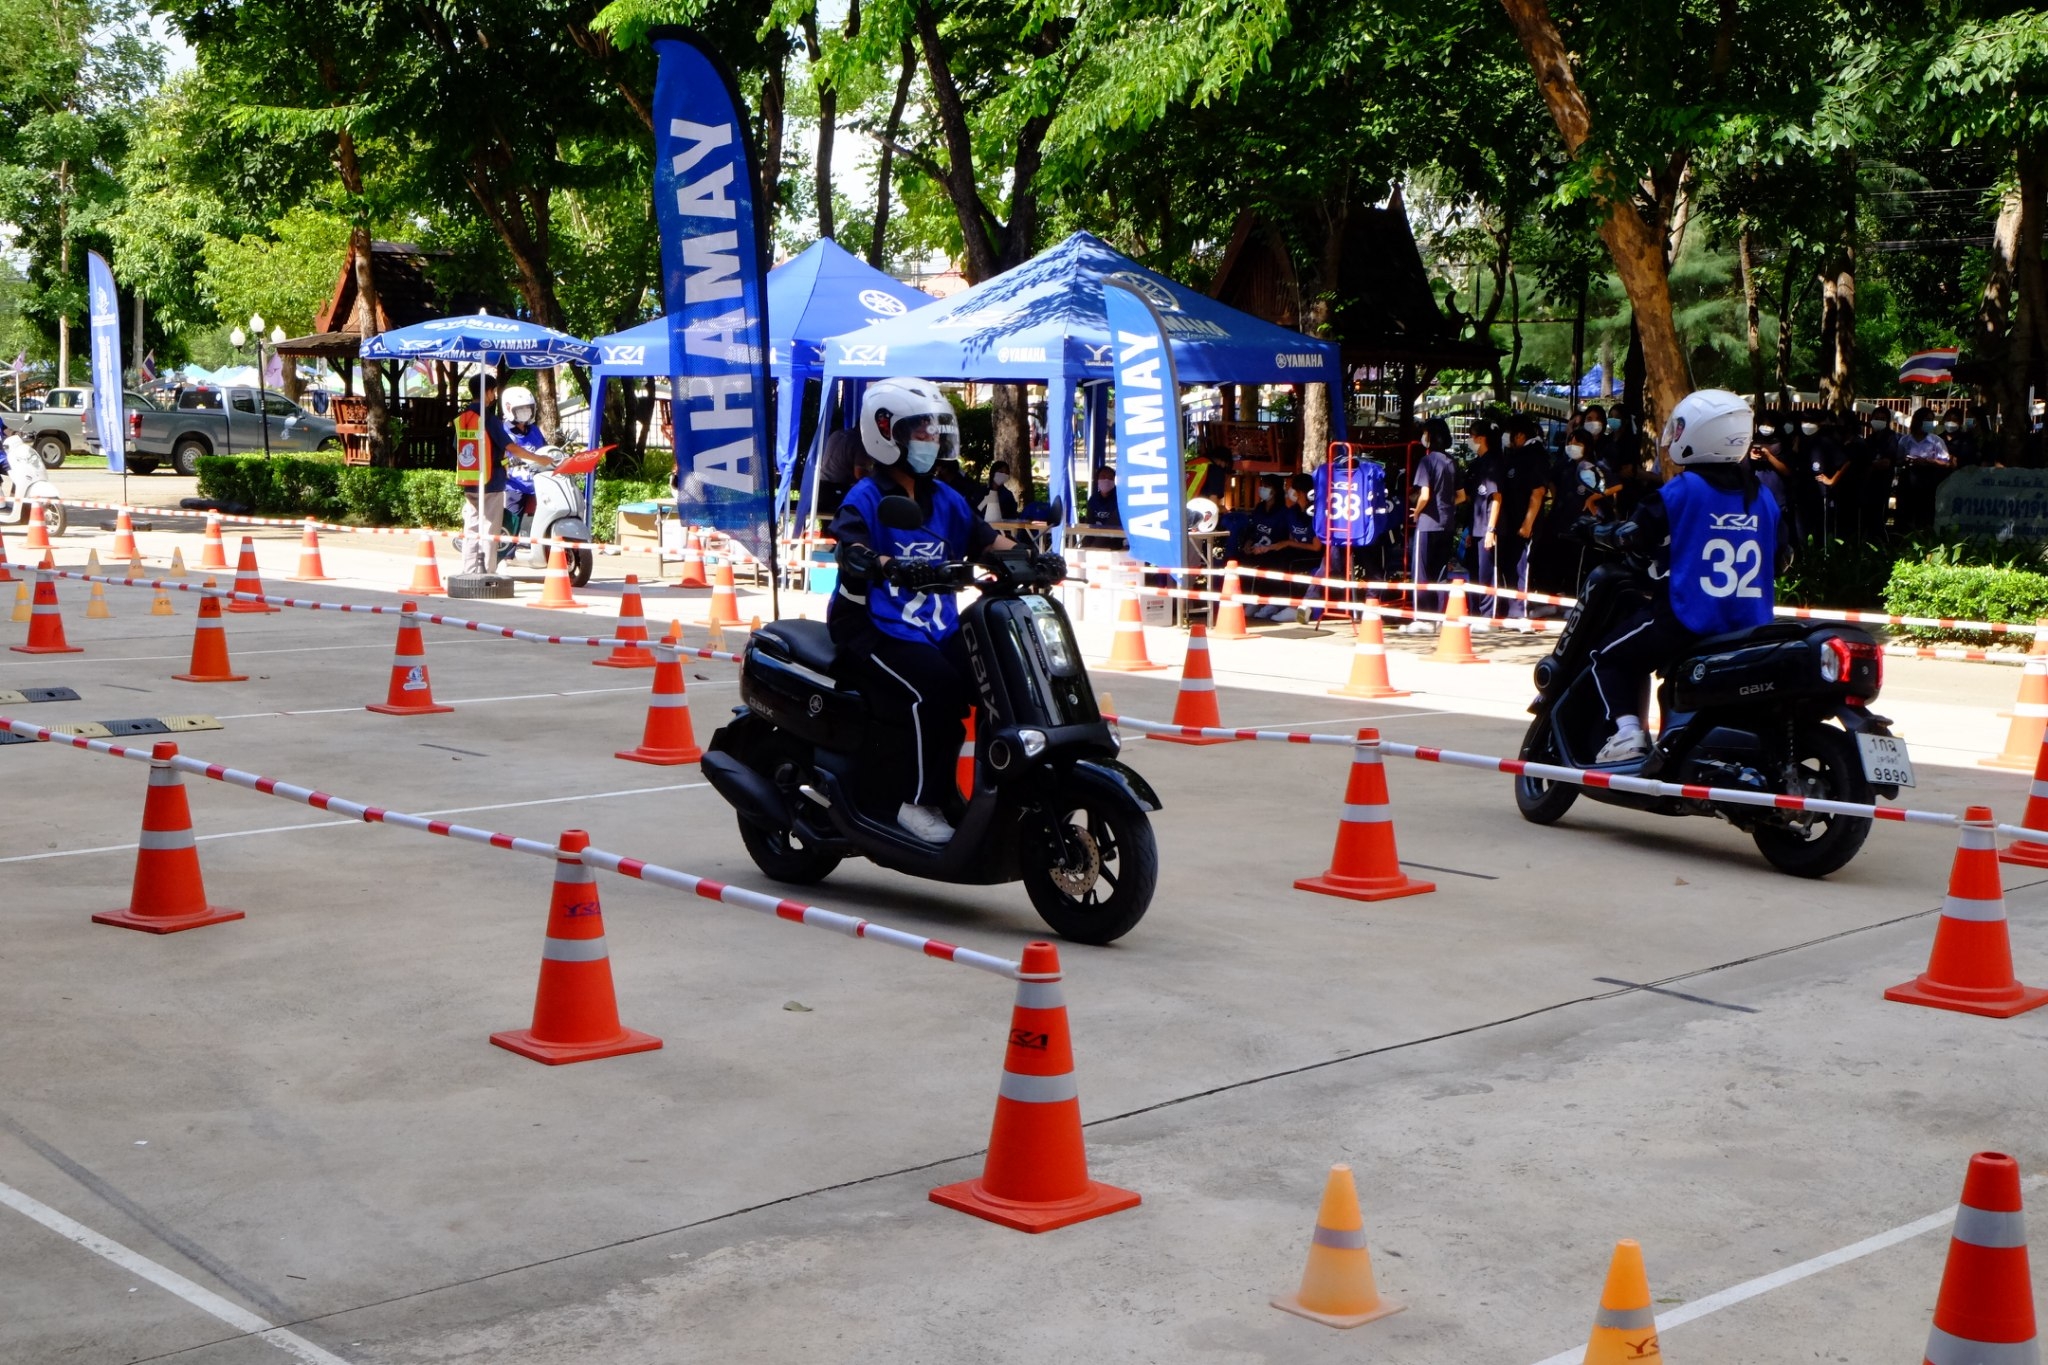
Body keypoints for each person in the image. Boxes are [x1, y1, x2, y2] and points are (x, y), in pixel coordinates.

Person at [827, 377, 1025, 845]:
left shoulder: (943, 497)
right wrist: (886, 564)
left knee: (999, 676)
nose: (930, 440)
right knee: (934, 691)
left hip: (933, 628)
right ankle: (917, 803)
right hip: (872, 626)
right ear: (886, 433)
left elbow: (987, 538)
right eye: (920, 430)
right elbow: (852, 548)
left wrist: (1031, 557)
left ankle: (991, 793)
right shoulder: (867, 497)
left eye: (935, 431)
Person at [1584, 389, 1792, 764]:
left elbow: (1632, 533)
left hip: (1687, 620)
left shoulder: (1682, 490)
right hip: (1748, 626)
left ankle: (1628, 734)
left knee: (1606, 656)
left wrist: (1597, 531)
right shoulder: (1762, 497)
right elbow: (1780, 559)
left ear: (1697, 433)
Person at [454, 374, 515, 575]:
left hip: (469, 481)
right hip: (492, 482)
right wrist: (538, 458)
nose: (494, 395)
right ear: (487, 392)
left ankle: (469, 570)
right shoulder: (489, 419)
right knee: (489, 530)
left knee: (471, 528)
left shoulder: (463, 418)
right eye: (493, 391)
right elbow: (510, 445)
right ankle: (487, 572)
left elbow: (456, 446)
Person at [1241, 474, 1322, 620]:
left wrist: (1287, 544)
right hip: (1295, 550)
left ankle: (1289, 606)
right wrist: (1268, 547)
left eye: (1292, 488)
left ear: (1302, 491)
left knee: (1285, 561)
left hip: (1312, 554)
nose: (1290, 491)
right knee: (1272, 558)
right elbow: (1289, 539)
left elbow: (1316, 547)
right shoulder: (1292, 512)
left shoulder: (1315, 513)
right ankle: (1268, 601)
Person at [1408, 417, 1457, 627]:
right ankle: (1438, 617)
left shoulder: (1426, 462)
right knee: (1440, 572)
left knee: (1421, 572)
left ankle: (1423, 618)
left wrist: (1416, 512)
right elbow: (1462, 496)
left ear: (1430, 435)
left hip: (1428, 523)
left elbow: (1425, 495)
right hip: (1447, 524)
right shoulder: (1451, 462)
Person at [1897, 405, 1953, 530]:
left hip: (1928, 481)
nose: (1929, 423)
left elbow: (1946, 463)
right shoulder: (1905, 440)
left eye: (1931, 420)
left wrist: (1929, 461)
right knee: (1906, 513)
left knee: (1925, 514)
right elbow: (1898, 459)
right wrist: (1907, 460)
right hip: (1909, 481)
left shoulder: (1936, 441)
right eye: (1926, 419)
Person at [816, 421, 866, 516]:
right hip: (837, 489)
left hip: (821, 486)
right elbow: (859, 474)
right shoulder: (858, 441)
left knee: (828, 526)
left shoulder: (837, 434)